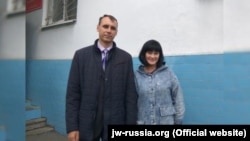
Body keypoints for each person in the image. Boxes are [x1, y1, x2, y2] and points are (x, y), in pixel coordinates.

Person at [66, 14, 138, 141]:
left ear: (116, 32)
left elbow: (130, 96)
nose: (108, 30)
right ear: (98, 28)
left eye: (113, 28)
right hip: (87, 122)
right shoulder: (81, 56)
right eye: (105, 26)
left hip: (115, 119)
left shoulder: (125, 58)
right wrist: (72, 127)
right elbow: (73, 94)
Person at [134, 39, 185, 125]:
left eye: (156, 53)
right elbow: (132, 102)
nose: (152, 56)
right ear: (144, 54)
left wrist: (178, 120)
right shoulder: (136, 76)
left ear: (159, 55)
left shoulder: (168, 73)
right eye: (149, 52)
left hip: (166, 122)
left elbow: (178, 98)